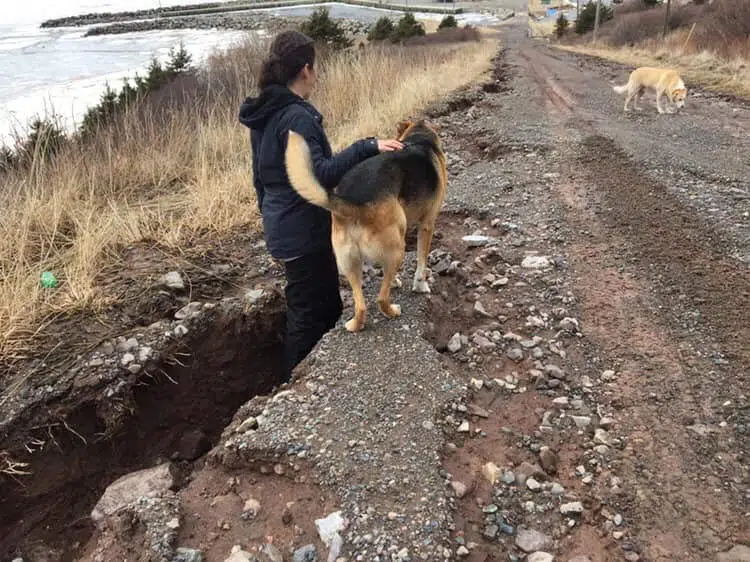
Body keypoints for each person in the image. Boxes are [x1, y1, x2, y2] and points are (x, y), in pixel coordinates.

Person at [238, 30, 403, 382]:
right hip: (304, 230)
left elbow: (259, 177)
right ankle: (293, 385)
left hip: (284, 226)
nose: (318, 75)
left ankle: (319, 376)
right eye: (317, 68)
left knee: (324, 303)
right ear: (306, 70)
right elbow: (322, 175)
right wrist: (367, 146)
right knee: (308, 312)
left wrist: (270, 217)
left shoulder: (265, 111)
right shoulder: (297, 117)